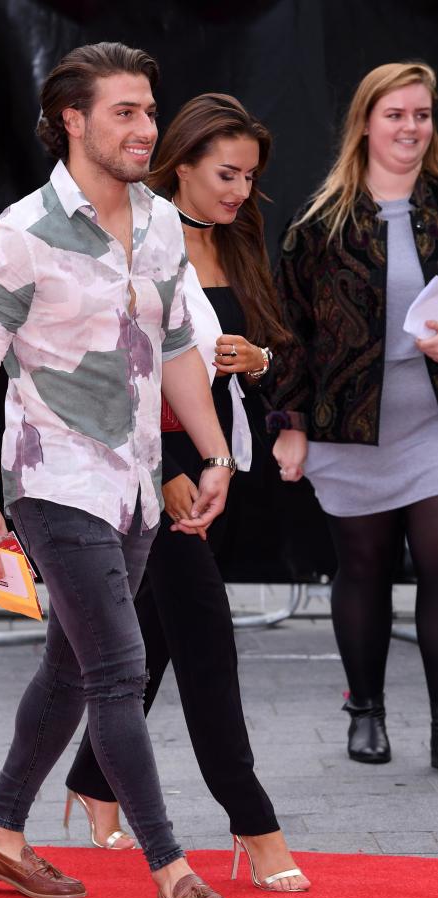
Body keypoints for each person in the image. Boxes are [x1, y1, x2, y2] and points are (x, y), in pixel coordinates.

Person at [0, 42, 236, 898]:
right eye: (124, 112)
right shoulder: (16, 236)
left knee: (71, 668)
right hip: (51, 478)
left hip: (137, 485)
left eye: (150, 110)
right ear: (71, 119)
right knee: (118, 669)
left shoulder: (158, 226)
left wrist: (217, 458)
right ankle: (173, 870)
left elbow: (180, 347)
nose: (146, 128)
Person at [63, 93, 310, 892]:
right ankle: (254, 820)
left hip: (218, 467)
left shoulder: (238, 241)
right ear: (181, 166)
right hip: (149, 470)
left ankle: (93, 782)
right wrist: (162, 466)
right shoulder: (135, 236)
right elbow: (113, 364)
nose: (239, 190)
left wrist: (257, 362)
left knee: (156, 632)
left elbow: (274, 346)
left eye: (248, 177)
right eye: (225, 174)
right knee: (203, 636)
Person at [268, 62, 438, 768]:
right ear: (364, 123)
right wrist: (290, 424)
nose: (409, 127)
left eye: (421, 114)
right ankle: (364, 709)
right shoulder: (317, 226)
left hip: (430, 423)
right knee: (363, 568)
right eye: (394, 113)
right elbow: (288, 334)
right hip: (347, 425)